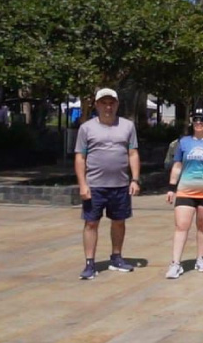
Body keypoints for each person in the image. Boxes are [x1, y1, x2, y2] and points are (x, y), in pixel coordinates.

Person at [74, 88, 140, 279]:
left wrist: (135, 179)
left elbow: (133, 153)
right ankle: (89, 263)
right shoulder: (86, 128)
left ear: (117, 104)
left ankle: (117, 257)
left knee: (119, 222)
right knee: (91, 223)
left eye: (111, 103)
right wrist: (82, 184)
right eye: (104, 103)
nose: (108, 107)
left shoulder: (127, 126)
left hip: (120, 184)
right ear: (97, 105)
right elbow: (80, 157)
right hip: (94, 184)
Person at [164, 108, 203, 279]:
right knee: (181, 225)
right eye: (195, 119)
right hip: (185, 190)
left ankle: (201, 258)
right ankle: (176, 263)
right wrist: (171, 187)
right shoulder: (183, 142)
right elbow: (177, 166)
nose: (199, 122)